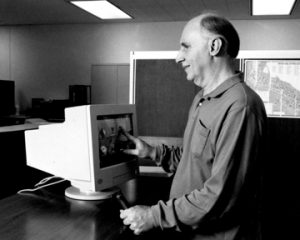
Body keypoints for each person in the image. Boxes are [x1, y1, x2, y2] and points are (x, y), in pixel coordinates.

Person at [120, 12, 267, 240]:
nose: (178, 57)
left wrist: (153, 216)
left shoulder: (240, 107)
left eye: (186, 47)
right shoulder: (202, 98)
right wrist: (150, 152)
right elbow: (193, 161)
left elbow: (221, 195)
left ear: (215, 46)